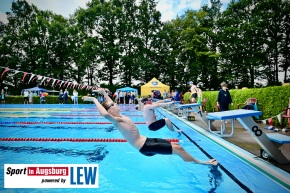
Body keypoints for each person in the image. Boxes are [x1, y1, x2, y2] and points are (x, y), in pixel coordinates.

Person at [82, 89, 217, 165]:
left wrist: (103, 93)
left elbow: (109, 105)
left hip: (147, 140)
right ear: (111, 110)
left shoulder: (120, 115)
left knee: (176, 146)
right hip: (145, 146)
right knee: (179, 149)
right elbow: (105, 113)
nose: (115, 104)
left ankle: (197, 161)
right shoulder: (116, 120)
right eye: (113, 105)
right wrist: (94, 100)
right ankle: (201, 162)